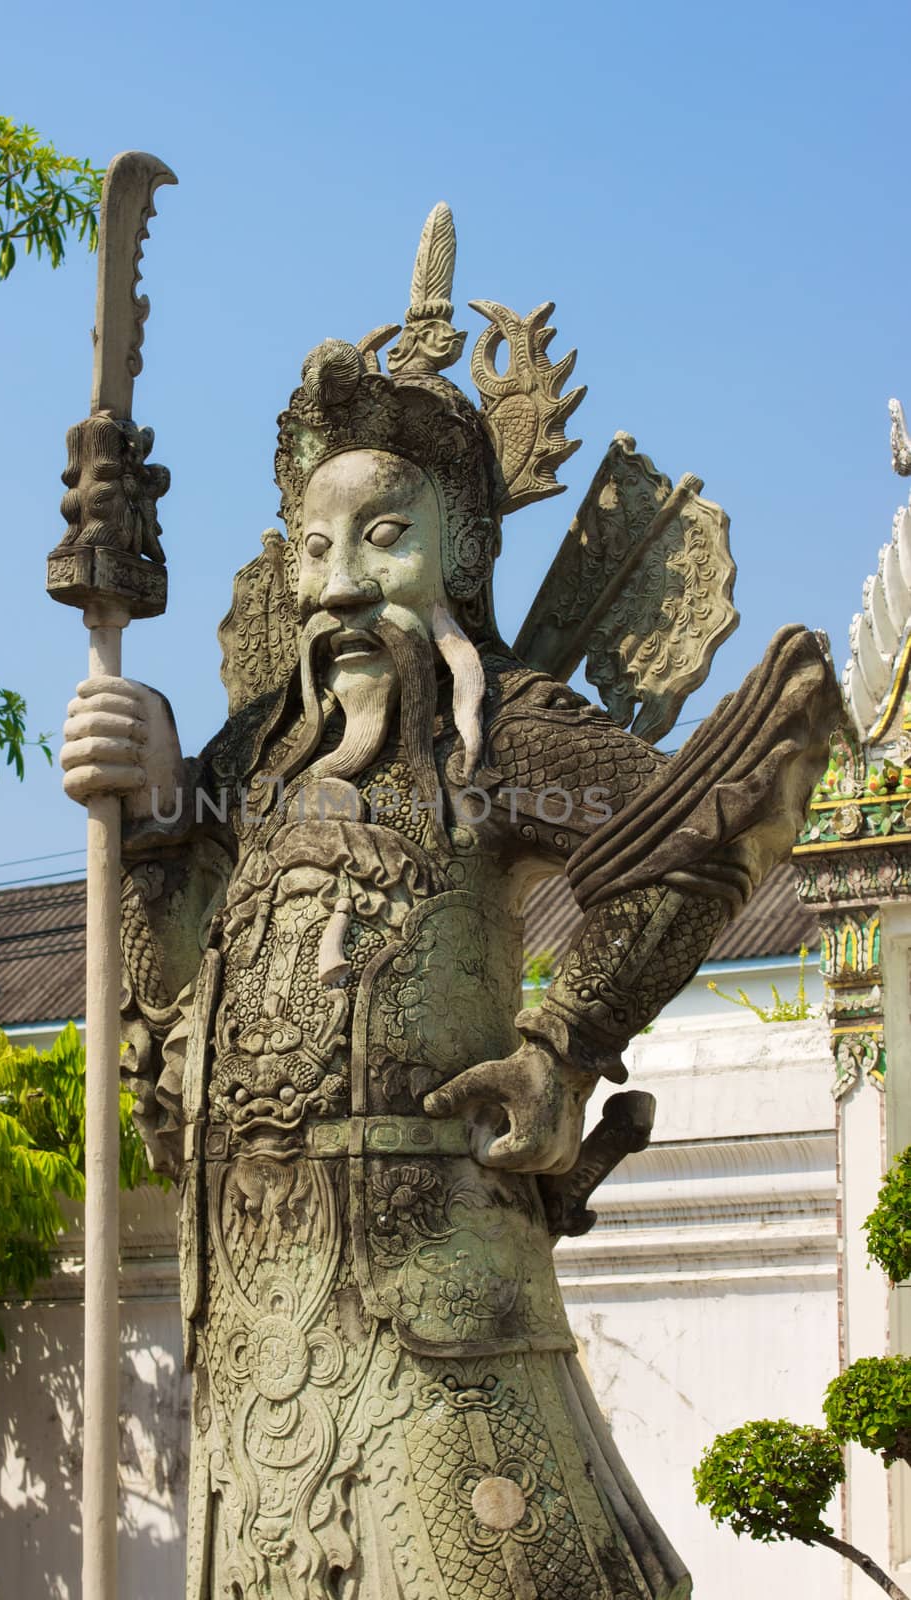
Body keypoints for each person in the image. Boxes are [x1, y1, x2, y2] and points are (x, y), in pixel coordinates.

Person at [60, 268, 837, 1599]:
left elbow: (694, 845)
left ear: (463, 554)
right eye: (314, 550)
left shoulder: (501, 734)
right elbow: (171, 1006)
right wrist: (148, 818)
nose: (339, 586)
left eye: (385, 539)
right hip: (259, 1317)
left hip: (442, 1316)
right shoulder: (249, 764)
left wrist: (562, 1045)